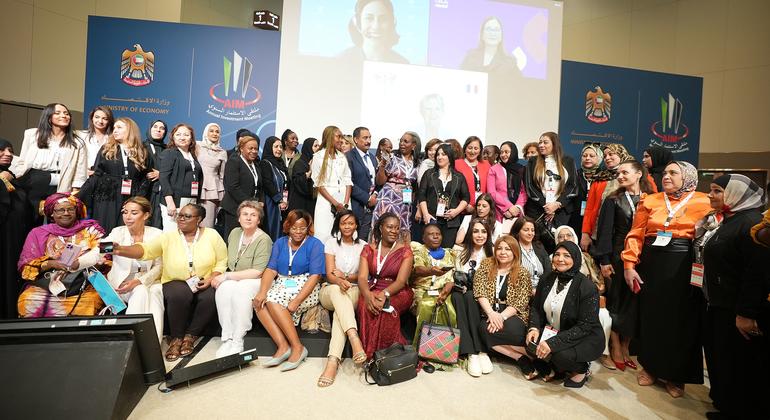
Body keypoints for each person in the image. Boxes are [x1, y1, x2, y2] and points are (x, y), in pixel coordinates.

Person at [622, 161, 711, 398]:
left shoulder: (704, 201)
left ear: (689, 177)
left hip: (685, 264)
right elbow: (636, 233)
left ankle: (676, 375)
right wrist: (629, 265)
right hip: (652, 263)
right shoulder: (650, 200)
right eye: (665, 173)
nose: (666, 176)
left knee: (681, 319)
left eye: (674, 173)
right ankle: (650, 367)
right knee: (652, 316)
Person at [113, 203, 227, 361]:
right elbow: (145, 250)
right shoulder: (168, 236)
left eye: (187, 216)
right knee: (179, 294)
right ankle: (177, 338)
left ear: (199, 219)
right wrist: (121, 250)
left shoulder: (212, 235)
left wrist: (211, 278)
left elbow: (222, 261)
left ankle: (190, 336)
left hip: (205, 278)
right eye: (180, 215)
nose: (181, 219)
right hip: (175, 280)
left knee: (210, 296)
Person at [699, 174, 769, 418]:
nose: (710, 195)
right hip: (719, 304)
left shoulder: (752, 225)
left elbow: (757, 274)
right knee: (721, 357)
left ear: (736, 194)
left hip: (736, 309)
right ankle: (725, 404)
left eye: (717, 191)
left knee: (739, 364)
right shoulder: (728, 220)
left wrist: (746, 314)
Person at [594, 160, 654, 371]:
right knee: (617, 303)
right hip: (618, 258)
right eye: (618, 173)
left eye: (625, 172)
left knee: (635, 304)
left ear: (639, 174)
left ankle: (627, 346)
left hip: (644, 259)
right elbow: (604, 232)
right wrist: (604, 260)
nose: (620, 176)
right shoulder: (614, 199)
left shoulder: (653, 199)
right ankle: (616, 346)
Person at [252, 210, 325, 371]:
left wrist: (297, 301)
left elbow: (315, 276)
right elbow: (271, 269)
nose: (298, 232)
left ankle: (298, 348)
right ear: (288, 227)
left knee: (273, 300)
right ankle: (283, 346)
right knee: (259, 302)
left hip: (306, 285)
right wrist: (262, 292)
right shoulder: (280, 243)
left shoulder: (315, 244)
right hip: (284, 282)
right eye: (294, 228)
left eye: (302, 228)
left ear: (308, 228)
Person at [526, 241, 605, 388]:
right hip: (557, 329)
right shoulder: (546, 278)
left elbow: (584, 327)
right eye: (557, 254)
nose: (560, 259)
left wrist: (552, 343)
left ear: (575, 258)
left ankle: (582, 369)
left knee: (561, 356)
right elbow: (536, 307)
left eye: (566, 256)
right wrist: (534, 328)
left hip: (584, 336)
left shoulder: (587, 287)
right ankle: (559, 368)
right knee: (531, 344)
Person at [17, 193, 105, 317]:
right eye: (60, 210)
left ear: (76, 211)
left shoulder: (91, 230)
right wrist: (51, 264)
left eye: (70, 209)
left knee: (88, 302)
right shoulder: (37, 233)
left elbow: (105, 256)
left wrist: (81, 264)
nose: (66, 213)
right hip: (47, 283)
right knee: (27, 299)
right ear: (52, 213)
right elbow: (26, 268)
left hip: (85, 283)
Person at [9, 103, 88, 225]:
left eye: (66, 113)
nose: (64, 116)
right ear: (48, 116)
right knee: (31, 219)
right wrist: (16, 175)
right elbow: (22, 160)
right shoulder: (33, 134)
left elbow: (80, 170)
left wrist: (75, 190)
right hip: (35, 180)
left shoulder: (77, 141)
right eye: (58, 113)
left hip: (62, 182)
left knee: (59, 222)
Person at [211, 201, 272, 357]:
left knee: (241, 290)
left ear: (259, 220)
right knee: (223, 289)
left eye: (253, 215)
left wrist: (227, 275)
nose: (248, 218)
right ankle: (227, 338)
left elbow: (258, 271)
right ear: (239, 218)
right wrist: (223, 275)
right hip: (235, 276)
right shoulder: (234, 233)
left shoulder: (264, 239)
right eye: (245, 214)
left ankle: (238, 338)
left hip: (255, 279)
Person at [318, 210, 367, 386]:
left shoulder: (363, 245)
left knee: (341, 313)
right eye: (343, 223)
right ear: (338, 225)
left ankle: (332, 361)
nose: (347, 226)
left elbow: (362, 276)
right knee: (338, 293)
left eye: (350, 223)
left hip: (353, 291)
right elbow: (330, 275)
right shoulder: (331, 244)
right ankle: (354, 338)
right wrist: (339, 280)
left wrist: (344, 275)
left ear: (356, 225)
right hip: (330, 291)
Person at [104, 197, 164, 341]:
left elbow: (159, 266)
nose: (128, 217)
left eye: (134, 213)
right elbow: (99, 250)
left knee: (154, 294)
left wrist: (140, 281)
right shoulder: (117, 232)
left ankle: (145, 342)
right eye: (125, 212)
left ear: (146, 215)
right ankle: (145, 343)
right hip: (122, 283)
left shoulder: (157, 234)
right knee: (141, 291)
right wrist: (77, 262)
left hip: (151, 280)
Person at [553, 225, 612, 370]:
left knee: (604, 316)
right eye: (561, 236)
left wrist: (590, 292)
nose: (565, 238)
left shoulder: (586, 257)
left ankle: (604, 353)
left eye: (569, 235)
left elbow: (599, 281)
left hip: (590, 299)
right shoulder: (554, 259)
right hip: (565, 302)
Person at [356, 212, 414, 359]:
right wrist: (368, 295)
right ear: (381, 228)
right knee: (364, 305)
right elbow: (362, 278)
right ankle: (368, 354)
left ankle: (388, 356)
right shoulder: (368, 249)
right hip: (373, 288)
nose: (394, 231)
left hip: (397, 291)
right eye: (389, 227)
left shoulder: (405, 251)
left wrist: (384, 294)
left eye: (397, 228)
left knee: (387, 309)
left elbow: (401, 282)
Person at [475, 235, 534, 377]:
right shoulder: (486, 265)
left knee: (512, 331)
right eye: (499, 248)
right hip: (490, 311)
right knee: (484, 329)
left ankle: (529, 356)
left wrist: (501, 317)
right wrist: (491, 313)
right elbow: (479, 290)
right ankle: (521, 357)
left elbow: (520, 301)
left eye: (507, 249)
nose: (502, 252)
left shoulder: (522, 272)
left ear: (514, 251)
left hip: (512, 313)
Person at [85, 117, 150, 233]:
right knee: (106, 231)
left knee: (126, 231)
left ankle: (121, 251)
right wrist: (79, 196)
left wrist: (138, 199)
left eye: (119, 127)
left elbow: (146, 178)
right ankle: (106, 252)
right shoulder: (106, 149)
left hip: (132, 197)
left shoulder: (142, 151)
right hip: (107, 196)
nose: (115, 130)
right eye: (114, 128)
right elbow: (96, 175)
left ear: (130, 130)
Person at [523, 132, 578, 252]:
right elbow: (530, 187)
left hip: (561, 212)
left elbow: (573, 187)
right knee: (536, 246)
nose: (541, 145)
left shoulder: (568, 161)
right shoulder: (533, 161)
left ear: (554, 144)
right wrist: (547, 206)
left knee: (560, 246)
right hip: (537, 211)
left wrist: (557, 204)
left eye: (545, 142)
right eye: (540, 142)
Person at [453, 218, 493, 375]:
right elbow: (455, 275)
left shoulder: (493, 253)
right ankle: (471, 352)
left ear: (488, 234)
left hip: (484, 294)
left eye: (483, 231)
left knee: (470, 296)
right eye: (476, 231)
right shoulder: (461, 252)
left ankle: (481, 351)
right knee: (457, 297)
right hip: (463, 292)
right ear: (470, 233)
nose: (480, 235)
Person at [579, 143, 633, 251]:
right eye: (605, 156)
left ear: (621, 154)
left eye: (611, 154)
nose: (607, 158)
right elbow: (589, 209)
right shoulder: (599, 178)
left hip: (628, 232)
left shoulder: (635, 176)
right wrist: (585, 234)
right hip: (601, 233)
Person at [410, 225, 457, 347]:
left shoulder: (448, 253)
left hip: (443, 290)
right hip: (422, 289)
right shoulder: (419, 251)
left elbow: (451, 276)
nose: (436, 236)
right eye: (431, 234)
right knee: (426, 305)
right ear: (424, 238)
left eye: (438, 234)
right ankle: (422, 348)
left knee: (450, 310)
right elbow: (418, 269)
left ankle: (444, 349)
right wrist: (431, 271)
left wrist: (445, 292)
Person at [0, 139, 32, 318]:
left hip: (15, 239)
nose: (8, 153)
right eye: (2, 150)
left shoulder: (14, 179)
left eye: (10, 150)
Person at [417, 144, 469, 248]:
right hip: (432, 218)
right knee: (429, 251)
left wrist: (456, 211)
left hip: (451, 221)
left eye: (443, 154)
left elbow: (466, 198)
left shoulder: (459, 176)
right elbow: (421, 195)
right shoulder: (429, 174)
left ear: (450, 157)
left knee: (447, 251)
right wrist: (426, 214)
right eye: (438, 154)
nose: (439, 157)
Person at [372, 131, 419, 237]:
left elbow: (416, 186)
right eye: (401, 140)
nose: (402, 143)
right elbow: (380, 181)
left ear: (413, 145)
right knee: (384, 229)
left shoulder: (417, 162)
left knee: (401, 229)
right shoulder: (392, 157)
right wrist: (383, 165)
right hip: (388, 199)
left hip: (405, 203)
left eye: (405, 141)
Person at [312, 126, 353, 244]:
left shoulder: (342, 156)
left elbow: (348, 181)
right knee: (324, 236)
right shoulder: (318, 157)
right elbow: (319, 185)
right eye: (338, 136)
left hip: (344, 203)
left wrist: (345, 203)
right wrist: (335, 204)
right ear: (329, 137)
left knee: (343, 236)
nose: (341, 140)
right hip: (326, 203)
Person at [159, 124, 204, 231]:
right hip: (175, 201)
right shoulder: (169, 153)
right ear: (173, 137)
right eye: (178, 134)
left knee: (188, 233)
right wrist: (170, 202)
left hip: (191, 200)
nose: (182, 137)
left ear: (191, 138)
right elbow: (164, 178)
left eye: (186, 135)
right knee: (172, 233)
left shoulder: (192, 155)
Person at [339, 0, 409, 64]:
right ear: (358, 23)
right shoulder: (341, 62)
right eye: (369, 18)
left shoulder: (402, 64)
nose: (376, 26)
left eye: (383, 19)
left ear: (391, 23)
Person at [221, 135, 262, 239]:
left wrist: (260, 201)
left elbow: (259, 186)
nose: (254, 151)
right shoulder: (234, 161)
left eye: (256, 148)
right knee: (233, 240)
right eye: (250, 148)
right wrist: (252, 202)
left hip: (251, 210)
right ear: (241, 148)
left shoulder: (256, 164)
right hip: (234, 209)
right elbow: (233, 187)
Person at [346, 126, 378, 242]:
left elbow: (376, 182)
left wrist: (374, 195)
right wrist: (367, 198)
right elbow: (348, 183)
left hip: (373, 208)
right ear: (355, 139)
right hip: (357, 207)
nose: (368, 141)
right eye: (365, 138)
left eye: (369, 137)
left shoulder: (373, 158)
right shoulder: (349, 157)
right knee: (355, 241)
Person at [487, 141, 526, 231]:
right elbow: (492, 192)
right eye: (501, 152)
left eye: (507, 152)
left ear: (513, 153)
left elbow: (523, 191)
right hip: (499, 211)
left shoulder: (521, 169)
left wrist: (517, 207)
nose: (503, 155)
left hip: (517, 213)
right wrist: (508, 207)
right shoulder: (494, 169)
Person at [196, 123, 227, 228]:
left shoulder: (222, 152)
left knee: (207, 225)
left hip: (212, 190)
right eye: (211, 131)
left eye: (217, 132)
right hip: (194, 187)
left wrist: (222, 195)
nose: (214, 134)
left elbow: (222, 175)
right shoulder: (197, 146)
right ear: (206, 133)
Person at [260, 136, 290, 241]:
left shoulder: (280, 164)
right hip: (271, 204)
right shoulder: (265, 163)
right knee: (271, 231)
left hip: (282, 205)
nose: (279, 149)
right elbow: (267, 183)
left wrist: (285, 201)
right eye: (276, 146)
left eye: (281, 147)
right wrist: (279, 200)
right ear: (269, 148)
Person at [511, 216, 551, 293]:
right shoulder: (512, 247)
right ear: (518, 231)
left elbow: (548, 270)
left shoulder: (539, 246)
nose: (530, 233)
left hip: (540, 291)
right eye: (526, 230)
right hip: (519, 292)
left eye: (532, 230)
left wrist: (539, 290)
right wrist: (529, 290)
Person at [570, 144, 602, 238]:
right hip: (575, 220)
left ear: (599, 158)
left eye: (592, 156)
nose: (587, 158)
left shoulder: (604, 176)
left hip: (596, 221)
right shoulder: (574, 175)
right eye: (584, 156)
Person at [455, 136, 491, 213]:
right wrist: (465, 205)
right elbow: (454, 188)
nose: (472, 151)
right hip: (462, 209)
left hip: (482, 209)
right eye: (470, 148)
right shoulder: (456, 164)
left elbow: (489, 188)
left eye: (476, 148)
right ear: (465, 149)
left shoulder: (486, 165)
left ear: (480, 150)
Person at [143, 120, 168, 229]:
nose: (158, 130)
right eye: (155, 127)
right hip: (145, 191)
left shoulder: (168, 149)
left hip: (162, 192)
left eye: (162, 128)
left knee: (159, 223)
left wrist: (161, 174)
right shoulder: (141, 146)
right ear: (150, 129)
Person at [79, 106, 114, 172]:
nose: (100, 121)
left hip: (105, 177)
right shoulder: (82, 136)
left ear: (109, 121)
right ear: (92, 118)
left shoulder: (113, 138)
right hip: (84, 175)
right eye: (97, 117)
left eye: (105, 119)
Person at [289, 139, 316, 216]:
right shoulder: (299, 163)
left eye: (319, 146)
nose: (318, 148)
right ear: (308, 148)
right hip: (299, 203)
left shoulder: (316, 162)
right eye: (315, 146)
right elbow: (297, 182)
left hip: (311, 203)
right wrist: (309, 172)